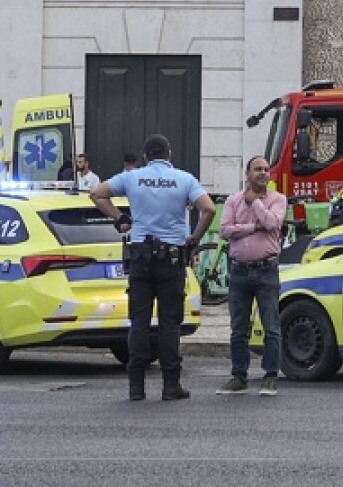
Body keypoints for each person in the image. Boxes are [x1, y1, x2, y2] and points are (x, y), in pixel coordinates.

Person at [91, 135, 213, 402]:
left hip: (140, 258)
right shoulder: (184, 179)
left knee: (139, 322)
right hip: (171, 259)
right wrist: (193, 239)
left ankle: (136, 387)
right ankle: (171, 385)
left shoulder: (132, 177)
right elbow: (209, 209)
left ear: (146, 155)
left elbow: (97, 194)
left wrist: (121, 218)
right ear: (169, 153)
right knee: (170, 323)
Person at [217, 155, 288, 396]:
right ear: (247, 173)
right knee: (238, 327)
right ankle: (239, 376)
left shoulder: (278, 199)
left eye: (266, 169)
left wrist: (255, 204)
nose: (263, 173)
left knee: (271, 326)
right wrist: (251, 227)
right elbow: (224, 230)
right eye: (257, 169)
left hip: (266, 269)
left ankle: (270, 376)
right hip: (239, 271)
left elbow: (272, 224)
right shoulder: (232, 200)